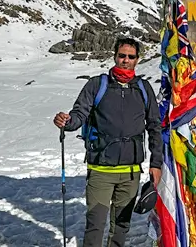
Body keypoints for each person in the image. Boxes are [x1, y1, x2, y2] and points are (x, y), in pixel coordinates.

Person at [54, 38, 162, 247]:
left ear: (137, 60)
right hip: (100, 170)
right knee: (95, 225)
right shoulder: (97, 85)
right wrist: (67, 122)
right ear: (114, 56)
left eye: (131, 57)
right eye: (122, 56)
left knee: (121, 226)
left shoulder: (143, 88)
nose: (126, 60)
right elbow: (80, 114)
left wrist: (156, 163)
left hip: (130, 172)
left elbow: (154, 127)